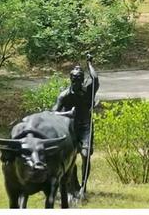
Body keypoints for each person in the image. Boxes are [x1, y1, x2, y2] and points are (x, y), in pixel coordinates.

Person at [53, 53, 99, 197]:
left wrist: (89, 64)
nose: (77, 82)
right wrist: (67, 114)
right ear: (71, 79)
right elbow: (53, 113)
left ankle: (83, 186)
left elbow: (95, 79)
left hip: (85, 126)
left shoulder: (87, 91)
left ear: (82, 80)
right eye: (74, 79)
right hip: (71, 128)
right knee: (70, 157)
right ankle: (72, 185)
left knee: (85, 154)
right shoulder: (64, 95)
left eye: (80, 79)